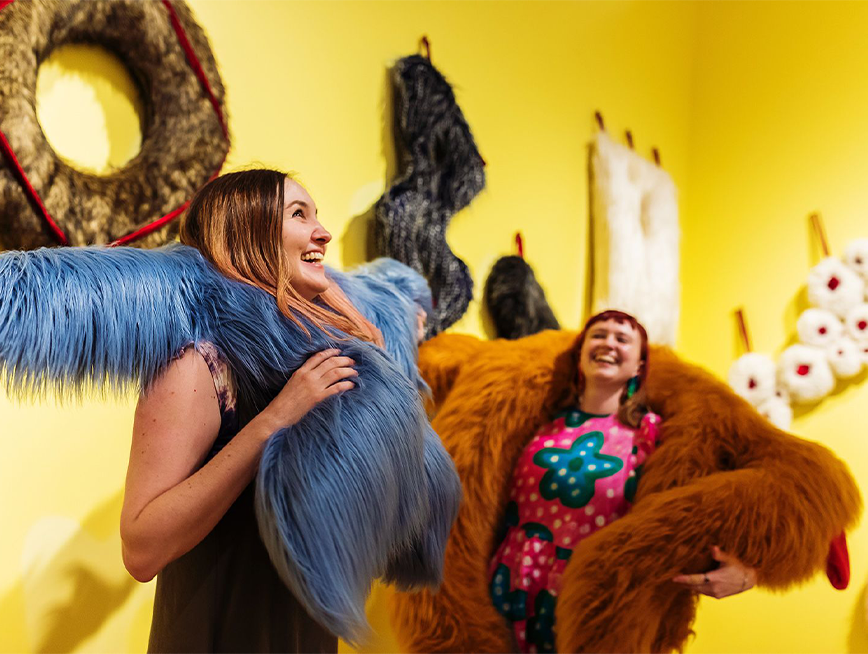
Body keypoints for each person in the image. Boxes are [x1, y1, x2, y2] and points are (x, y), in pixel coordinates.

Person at [119, 169, 420, 653]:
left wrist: (358, 327)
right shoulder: (197, 363)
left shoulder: (307, 365)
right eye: (299, 215)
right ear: (246, 235)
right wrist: (277, 420)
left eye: (317, 216)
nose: (323, 231)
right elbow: (140, 550)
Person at [488, 310, 757, 654]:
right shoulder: (538, 422)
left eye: (622, 339)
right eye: (598, 335)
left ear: (639, 367)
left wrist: (748, 571)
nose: (608, 344)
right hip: (512, 591)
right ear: (580, 353)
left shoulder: (656, 435)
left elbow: (715, 506)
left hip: (596, 604)